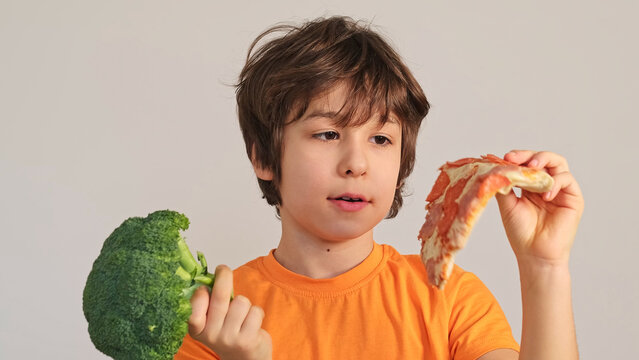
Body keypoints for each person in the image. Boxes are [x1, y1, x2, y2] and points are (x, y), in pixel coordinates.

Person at [175, 16, 583, 360]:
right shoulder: (214, 319)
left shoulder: (448, 296)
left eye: (381, 139)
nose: (357, 163)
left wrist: (543, 267)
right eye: (328, 134)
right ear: (264, 157)